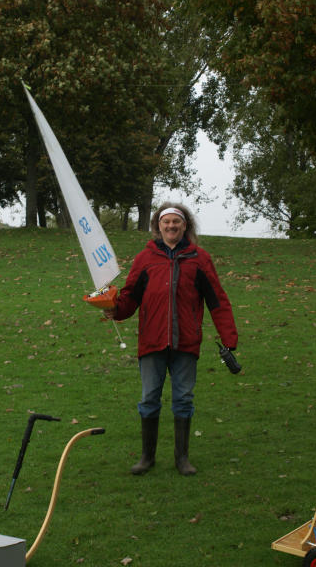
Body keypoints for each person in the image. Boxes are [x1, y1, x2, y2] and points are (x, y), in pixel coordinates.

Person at [104, 202, 238, 476]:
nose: (171, 227)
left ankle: (182, 459)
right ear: (158, 226)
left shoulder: (200, 258)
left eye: (176, 222)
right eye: (166, 223)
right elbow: (130, 298)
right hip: (151, 342)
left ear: (185, 226)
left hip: (185, 342)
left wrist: (229, 338)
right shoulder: (145, 259)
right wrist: (114, 308)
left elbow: (217, 300)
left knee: (183, 399)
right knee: (149, 398)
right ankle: (147, 458)